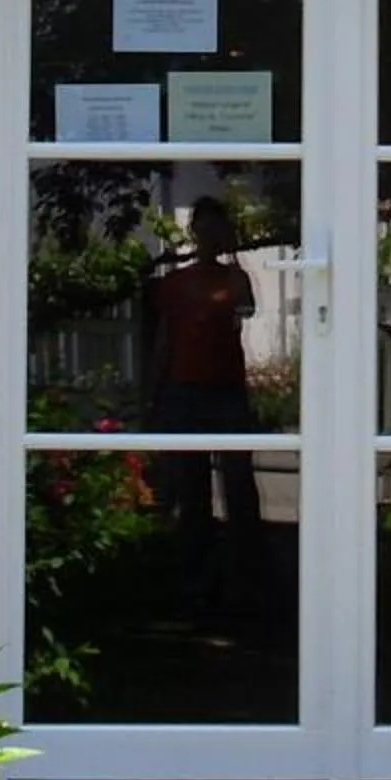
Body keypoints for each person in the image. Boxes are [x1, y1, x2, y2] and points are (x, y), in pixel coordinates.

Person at [144, 196, 264, 615]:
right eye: (204, 230)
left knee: (238, 486)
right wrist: (155, 396)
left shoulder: (236, 280)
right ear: (194, 233)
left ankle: (249, 576)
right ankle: (196, 580)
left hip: (226, 389)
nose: (210, 238)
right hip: (185, 390)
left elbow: (244, 313)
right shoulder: (175, 284)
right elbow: (164, 340)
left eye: (218, 230)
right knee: (191, 490)